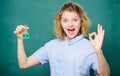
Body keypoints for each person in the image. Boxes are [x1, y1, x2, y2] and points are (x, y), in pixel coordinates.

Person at [14, 2, 110, 76]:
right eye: (65, 20)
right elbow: (24, 64)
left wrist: (98, 52)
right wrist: (20, 39)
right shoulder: (51, 45)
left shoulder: (90, 46)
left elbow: (105, 74)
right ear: (60, 23)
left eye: (75, 20)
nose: (70, 24)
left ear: (81, 22)